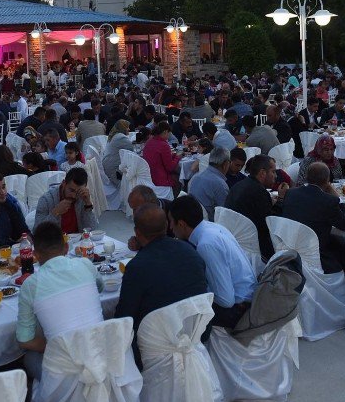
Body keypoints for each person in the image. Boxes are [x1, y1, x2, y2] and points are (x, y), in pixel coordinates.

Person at [114, 203, 209, 366]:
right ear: (167, 226)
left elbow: (124, 317)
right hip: (195, 334)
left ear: (137, 232)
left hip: (155, 348)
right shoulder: (191, 252)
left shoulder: (137, 267)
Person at [16, 221, 104, 380]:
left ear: (35, 255)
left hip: (65, 374)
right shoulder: (86, 264)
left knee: (30, 357)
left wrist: (58, 346)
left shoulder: (30, 285)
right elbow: (100, 288)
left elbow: (25, 340)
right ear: (66, 248)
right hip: (101, 358)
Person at [170, 194, 256, 328]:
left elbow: (226, 300)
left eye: (171, 222)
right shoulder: (213, 227)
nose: (170, 227)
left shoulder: (206, 244)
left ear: (181, 224)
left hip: (238, 310)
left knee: (174, 305)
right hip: (246, 294)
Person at [282, 162, 345, 273]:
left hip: (290, 248)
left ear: (306, 177)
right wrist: (338, 199)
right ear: (327, 180)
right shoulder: (329, 201)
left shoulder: (290, 194)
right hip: (316, 253)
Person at [225, 154, 282, 263]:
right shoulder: (258, 192)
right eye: (273, 172)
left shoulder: (239, 185)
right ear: (262, 173)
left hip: (233, 239)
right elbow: (271, 224)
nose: (276, 176)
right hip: (252, 246)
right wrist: (281, 200)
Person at [32, 167, 97, 231]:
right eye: (71, 190)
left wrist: (88, 204)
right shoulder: (46, 199)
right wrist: (55, 212)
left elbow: (92, 229)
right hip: (55, 240)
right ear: (63, 183)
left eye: (78, 192)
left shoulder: (82, 197)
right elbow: (36, 231)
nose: (74, 196)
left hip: (78, 240)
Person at [187, 146, 230, 220]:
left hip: (192, 219)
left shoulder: (196, 178)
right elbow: (225, 215)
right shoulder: (220, 184)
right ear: (225, 164)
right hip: (209, 224)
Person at [142, 121, 181, 190]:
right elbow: (170, 167)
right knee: (180, 179)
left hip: (149, 177)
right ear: (165, 132)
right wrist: (178, 157)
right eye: (169, 133)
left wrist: (174, 155)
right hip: (160, 180)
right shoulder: (163, 145)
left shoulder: (149, 141)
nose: (169, 136)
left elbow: (159, 158)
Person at [102, 119, 133, 185]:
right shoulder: (121, 137)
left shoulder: (114, 135)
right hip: (114, 171)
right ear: (123, 128)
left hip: (108, 166)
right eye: (127, 127)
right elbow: (132, 149)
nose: (129, 129)